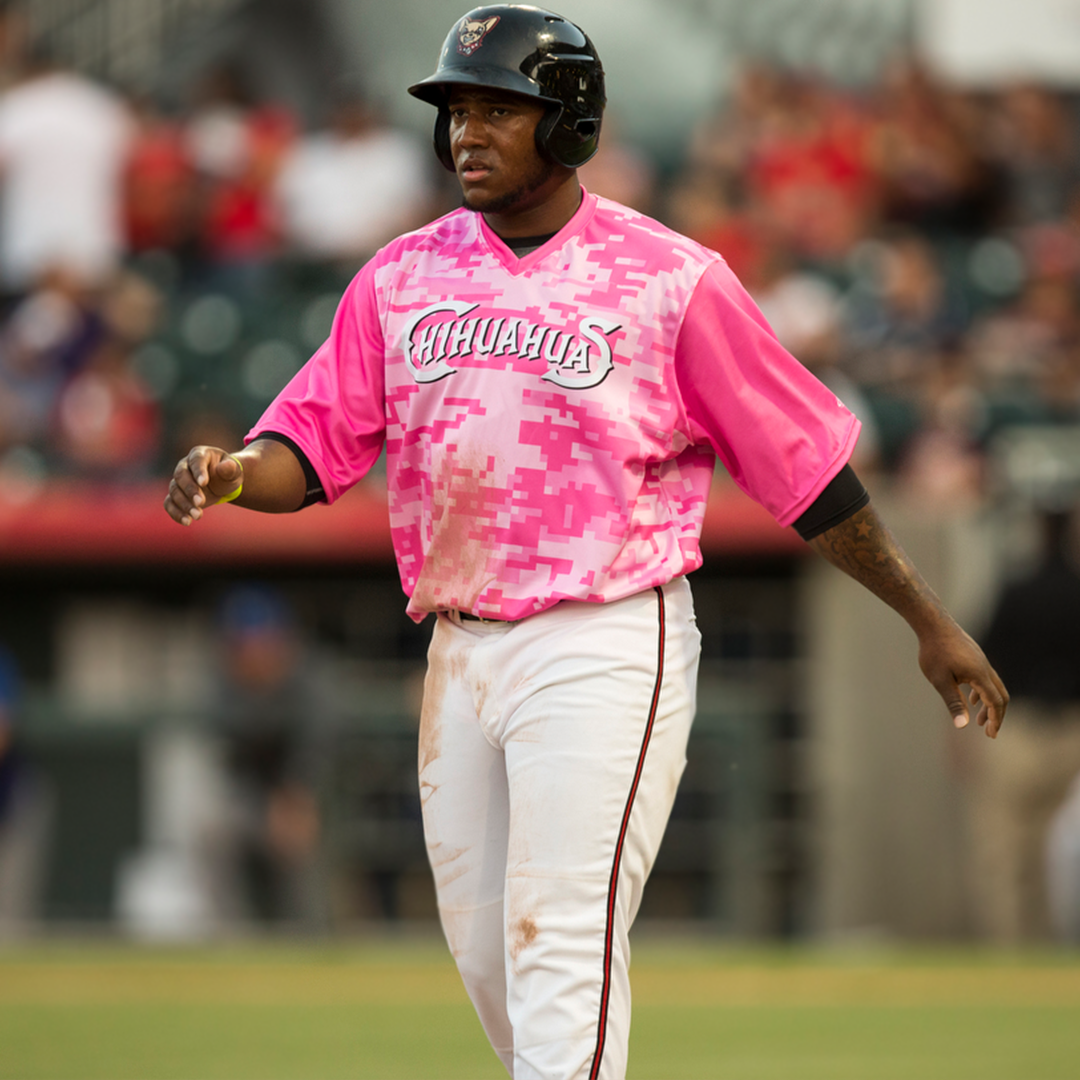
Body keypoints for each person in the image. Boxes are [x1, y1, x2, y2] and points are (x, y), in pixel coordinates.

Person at [164, 8, 1008, 1078]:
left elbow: (808, 472)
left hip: (604, 636)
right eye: (456, 110)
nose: (468, 132)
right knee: (492, 965)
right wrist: (238, 473)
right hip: (459, 646)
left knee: (561, 945)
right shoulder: (399, 278)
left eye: (498, 110)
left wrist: (927, 620)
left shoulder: (671, 278)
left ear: (568, 124)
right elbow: (312, 441)